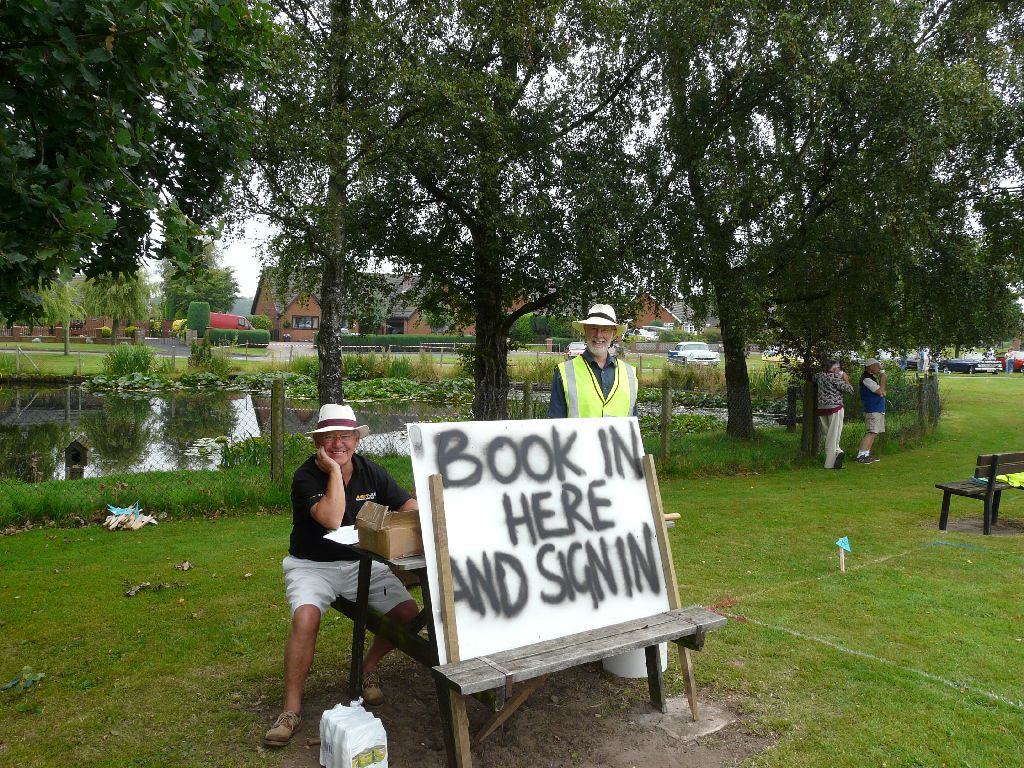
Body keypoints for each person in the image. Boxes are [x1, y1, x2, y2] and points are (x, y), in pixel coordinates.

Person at [264, 404, 420, 747]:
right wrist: (334, 472)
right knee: (305, 619)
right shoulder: (307, 476)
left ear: (356, 439)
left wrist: (427, 513)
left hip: (361, 564)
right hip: (311, 566)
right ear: (318, 441)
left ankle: (365, 669)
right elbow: (332, 519)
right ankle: (290, 710)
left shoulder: (372, 472)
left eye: (345, 436)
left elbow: (406, 505)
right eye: (330, 437)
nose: (339, 443)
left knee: (408, 615)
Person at [548, 303, 638, 418]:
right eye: (593, 328)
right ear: (585, 331)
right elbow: (556, 425)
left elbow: (633, 424)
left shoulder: (630, 374)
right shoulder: (564, 372)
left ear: (613, 333)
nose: (598, 335)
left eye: (605, 329)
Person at [812, 360, 853, 469]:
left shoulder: (819, 376)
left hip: (821, 408)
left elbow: (813, 378)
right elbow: (850, 390)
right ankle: (829, 463)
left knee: (827, 434)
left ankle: (837, 452)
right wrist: (846, 379)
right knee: (834, 435)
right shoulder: (835, 378)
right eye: (839, 368)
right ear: (835, 369)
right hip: (835, 408)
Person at [856, 358, 886, 464]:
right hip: (872, 409)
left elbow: (882, 392)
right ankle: (860, 455)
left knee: (874, 433)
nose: (879, 368)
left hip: (877, 408)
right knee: (871, 432)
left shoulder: (871, 379)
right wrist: (882, 378)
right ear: (870, 367)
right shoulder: (866, 379)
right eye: (877, 366)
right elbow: (880, 391)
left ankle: (866, 454)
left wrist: (881, 391)